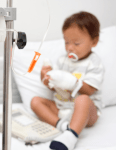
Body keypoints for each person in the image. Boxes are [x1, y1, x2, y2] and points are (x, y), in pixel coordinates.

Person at [30, 11, 104, 150]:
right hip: (62, 107)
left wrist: (71, 82)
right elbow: (55, 87)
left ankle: (71, 135)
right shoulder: (62, 60)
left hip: (87, 113)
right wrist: (47, 79)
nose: (70, 47)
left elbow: (89, 90)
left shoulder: (94, 62)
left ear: (94, 41)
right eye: (66, 42)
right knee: (35, 101)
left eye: (76, 43)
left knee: (82, 99)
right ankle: (63, 126)